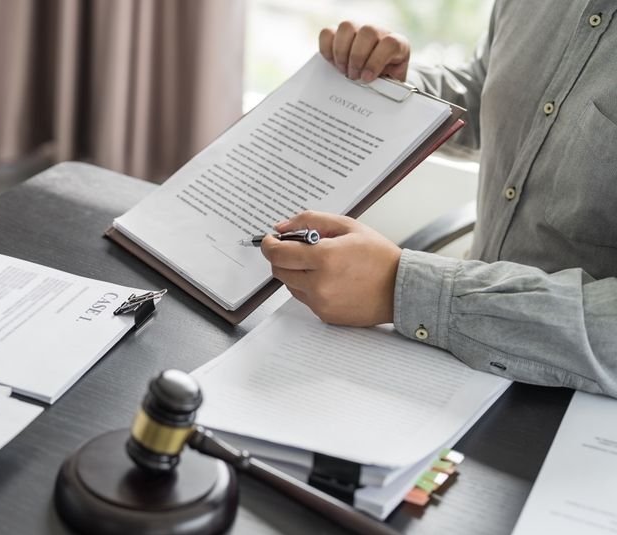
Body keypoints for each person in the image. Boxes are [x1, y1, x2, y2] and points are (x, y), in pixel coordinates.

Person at [261, 3, 617, 397]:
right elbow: (492, 91)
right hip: (456, 353)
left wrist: (403, 287)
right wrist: (397, 87)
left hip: (575, 401)